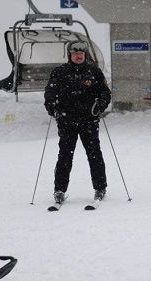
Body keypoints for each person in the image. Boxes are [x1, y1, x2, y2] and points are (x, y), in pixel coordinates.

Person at [44, 41, 111, 206]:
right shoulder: (60, 72)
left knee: (94, 154)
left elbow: (105, 93)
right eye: (75, 54)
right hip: (67, 121)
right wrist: (54, 109)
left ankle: (100, 187)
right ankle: (59, 190)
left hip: (89, 120)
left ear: (85, 55)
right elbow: (50, 94)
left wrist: (100, 105)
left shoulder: (94, 72)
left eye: (81, 54)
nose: (78, 56)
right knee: (65, 156)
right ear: (70, 55)